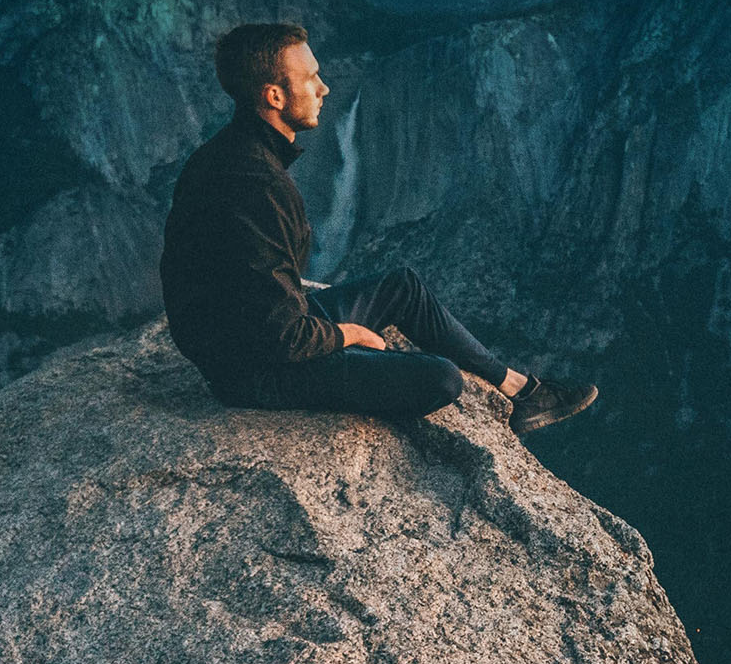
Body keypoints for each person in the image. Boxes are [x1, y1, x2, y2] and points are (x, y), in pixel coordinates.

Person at [160, 21, 598, 431]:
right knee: (441, 379)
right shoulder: (259, 185)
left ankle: (520, 390)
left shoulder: (227, 153)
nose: (324, 88)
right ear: (274, 96)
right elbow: (283, 336)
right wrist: (346, 335)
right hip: (258, 369)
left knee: (401, 286)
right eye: (310, 78)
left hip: (253, 334)